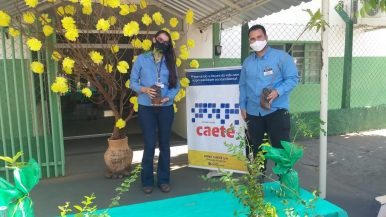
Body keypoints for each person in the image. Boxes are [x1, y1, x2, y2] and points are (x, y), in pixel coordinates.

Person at [239, 24, 299, 169]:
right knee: (257, 150)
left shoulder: (282, 57)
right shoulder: (247, 62)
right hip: (253, 113)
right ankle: (258, 185)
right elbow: (243, 86)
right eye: (252, 39)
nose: (256, 41)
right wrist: (242, 105)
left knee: (281, 150)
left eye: (259, 37)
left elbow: (293, 78)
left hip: (276, 111)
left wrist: (278, 91)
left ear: (266, 37)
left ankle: (284, 184)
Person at [130, 30, 180, 194]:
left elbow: (176, 85)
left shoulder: (170, 61)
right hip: (146, 108)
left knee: (165, 144)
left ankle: (164, 180)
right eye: (160, 40)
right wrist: (143, 89)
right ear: (153, 40)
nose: (162, 44)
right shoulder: (142, 59)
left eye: (166, 42)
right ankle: (147, 181)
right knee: (150, 144)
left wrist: (168, 98)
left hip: (165, 108)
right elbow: (132, 82)